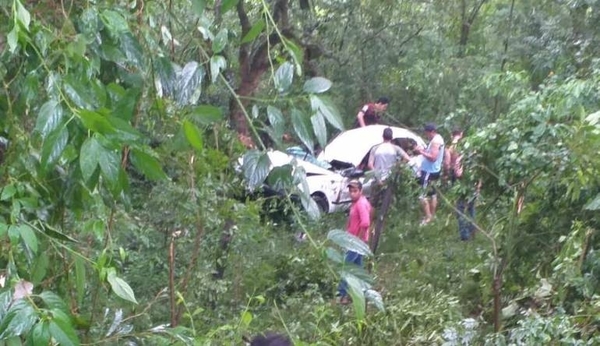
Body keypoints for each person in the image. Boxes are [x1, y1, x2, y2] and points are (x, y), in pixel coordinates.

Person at [338, 180, 372, 304]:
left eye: (355, 191)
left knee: (345, 267)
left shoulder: (361, 204)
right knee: (358, 268)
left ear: (361, 191)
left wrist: (357, 241)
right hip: (354, 241)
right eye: (351, 191)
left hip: (356, 243)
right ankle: (362, 292)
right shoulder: (356, 203)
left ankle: (343, 295)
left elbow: (365, 223)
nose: (352, 193)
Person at [447, 129, 480, 241]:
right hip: (472, 182)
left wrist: (455, 170)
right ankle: (471, 230)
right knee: (471, 207)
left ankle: (465, 234)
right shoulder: (474, 157)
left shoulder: (454, 150)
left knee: (461, 207)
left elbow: (457, 172)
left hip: (462, 183)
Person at [414, 123, 445, 226]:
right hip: (434, 170)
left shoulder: (436, 142)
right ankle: (432, 216)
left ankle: (428, 217)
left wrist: (421, 152)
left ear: (431, 132)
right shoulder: (438, 139)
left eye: (427, 133)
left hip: (429, 171)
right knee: (433, 194)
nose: (426, 135)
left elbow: (433, 157)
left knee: (422, 195)